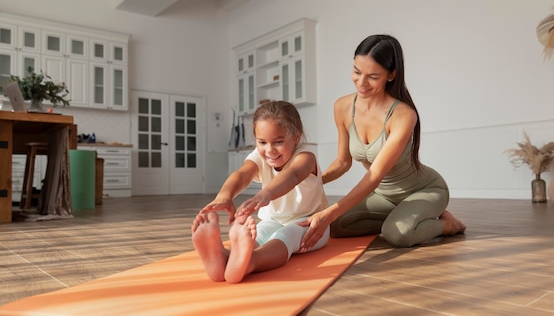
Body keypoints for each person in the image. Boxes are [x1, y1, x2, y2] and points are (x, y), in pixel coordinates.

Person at [299, 34, 465, 250]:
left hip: (423, 190)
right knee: (338, 226)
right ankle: (402, 216)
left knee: (397, 235)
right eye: (357, 72)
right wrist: (308, 182)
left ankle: (446, 224)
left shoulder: (403, 115)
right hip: (384, 196)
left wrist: (327, 213)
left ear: (391, 75)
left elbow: (375, 175)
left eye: (373, 76)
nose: (361, 83)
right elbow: (342, 162)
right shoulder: (342, 107)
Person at [191, 101, 329, 283]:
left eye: (278, 142)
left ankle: (250, 263)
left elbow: (293, 176)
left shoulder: (305, 157)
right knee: (260, 233)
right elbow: (243, 174)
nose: (269, 150)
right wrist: (224, 196)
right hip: (272, 220)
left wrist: (265, 195)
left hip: (311, 222)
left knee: (286, 235)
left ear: (296, 136)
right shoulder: (259, 155)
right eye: (262, 142)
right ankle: (224, 257)